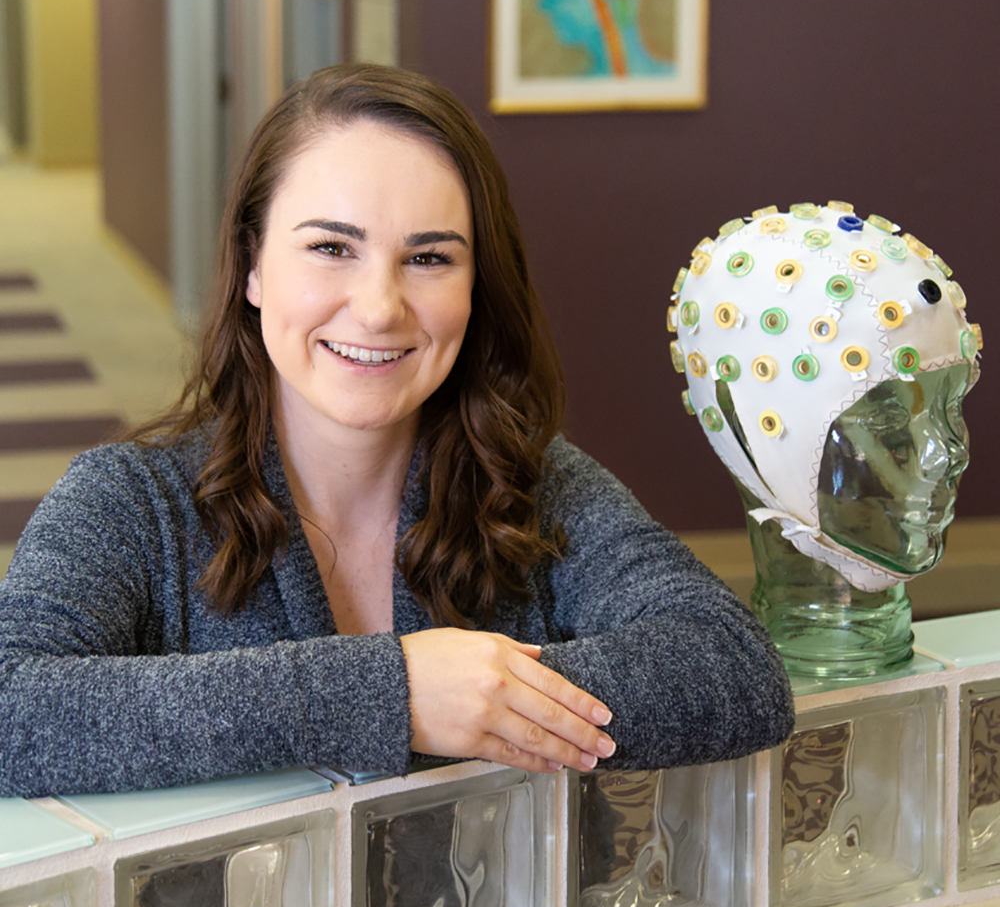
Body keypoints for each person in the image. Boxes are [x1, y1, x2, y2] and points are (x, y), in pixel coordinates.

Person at [0, 64, 793, 797]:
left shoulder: (534, 484)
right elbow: (12, 710)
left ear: (477, 285)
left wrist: (474, 696)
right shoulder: (132, 502)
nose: (379, 307)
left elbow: (733, 670)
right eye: (331, 248)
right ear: (251, 267)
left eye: (429, 259)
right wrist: (399, 691)